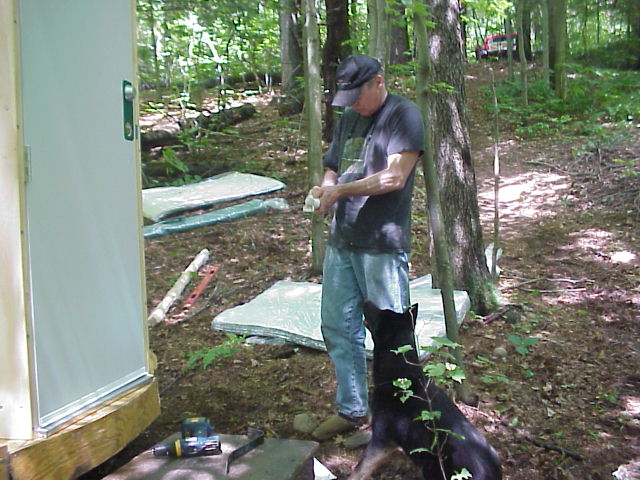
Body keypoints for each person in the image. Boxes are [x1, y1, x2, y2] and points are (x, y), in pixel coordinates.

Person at [308, 54, 425, 440]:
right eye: (349, 98)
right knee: (338, 327)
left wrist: (341, 189)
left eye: (359, 95)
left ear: (378, 82)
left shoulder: (403, 115)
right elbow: (333, 163)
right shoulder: (350, 117)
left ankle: (396, 422)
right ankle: (352, 409)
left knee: (390, 334)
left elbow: (394, 176)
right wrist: (327, 187)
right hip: (343, 240)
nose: (355, 105)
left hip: (382, 243)